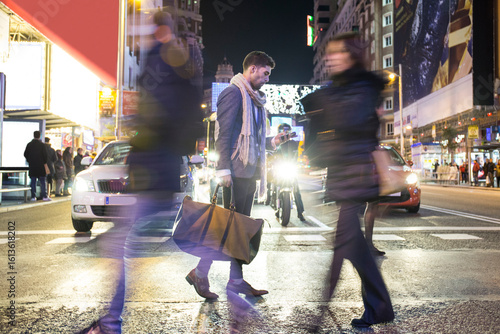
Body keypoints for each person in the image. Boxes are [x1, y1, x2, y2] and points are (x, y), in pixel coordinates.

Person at [79, 10, 203, 334]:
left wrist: (141, 130)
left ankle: (110, 323)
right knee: (139, 239)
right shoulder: (180, 66)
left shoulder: (162, 62)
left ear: (159, 30)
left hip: (152, 170)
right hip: (160, 170)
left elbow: (159, 116)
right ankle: (213, 265)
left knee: (118, 243)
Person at [302, 32, 394, 329]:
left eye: (336, 52)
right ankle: (380, 306)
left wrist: (323, 103)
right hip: (346, 174)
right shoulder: (343, 87)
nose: (330, 58)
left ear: (351, 55)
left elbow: (349, 122)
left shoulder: (362, 87)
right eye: (328, 53)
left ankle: (316, 319)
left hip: (356, 173)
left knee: (342, 247)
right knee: (353, 247)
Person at [186, 51, 287, 301]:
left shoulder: (253, 99)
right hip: (235, 172)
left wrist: (272, 141)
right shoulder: (233, 93)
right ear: (252, 69)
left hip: (248, 171)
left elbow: (250, 141)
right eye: (265, 74)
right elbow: (223, 134)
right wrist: (223, 169)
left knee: (237, 230)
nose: (267, 79)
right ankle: (207, 273)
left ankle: (230, 279)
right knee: (229, 228)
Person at [272, 123, 305, 221]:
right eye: (283, 131)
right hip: (279, 168)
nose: (285, 133)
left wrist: (296, 164)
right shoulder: (277, 145)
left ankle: (300, 212)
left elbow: (296, 156)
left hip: (290, 168)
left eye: (287, 131)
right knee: (273, 184)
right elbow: (271, 155)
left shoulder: (294, 143)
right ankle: (274, 205)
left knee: (296, 188)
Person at [24, 131, 52, 202]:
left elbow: (25, 154)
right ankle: (44, 196)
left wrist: (30, 160)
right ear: (39, 136)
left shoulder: (29, 144)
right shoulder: (42, 145)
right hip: (41, 166)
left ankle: (33, 196)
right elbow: (45, 156)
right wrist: (44, 162)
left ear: (33, 135)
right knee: (42, 182)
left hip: (32, 166)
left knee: (33, 181)